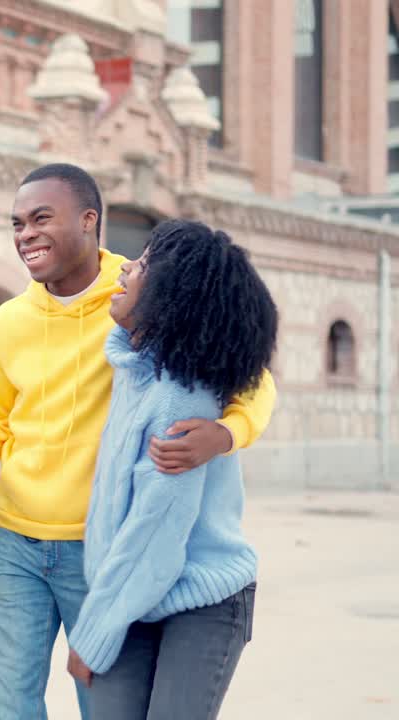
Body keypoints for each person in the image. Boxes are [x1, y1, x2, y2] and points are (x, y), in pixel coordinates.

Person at [0, 163, 277, 719]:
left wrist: (226, 434)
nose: (25, 233)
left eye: (40, 218)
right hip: (14, 542)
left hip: (99, 548)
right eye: (17, 223)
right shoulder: (8, 320)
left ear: (88, 220)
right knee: (9, 703)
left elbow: (249, 379)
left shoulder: (141, 296)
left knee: (102, 704)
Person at [65, 219, 275, 719]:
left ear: (174, 294)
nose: (124, 270)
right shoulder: (136, 370)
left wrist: (94, 629)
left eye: (141, 265)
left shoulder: (180, 396)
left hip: (202, 597)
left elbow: (153, 531)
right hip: (134, 593)